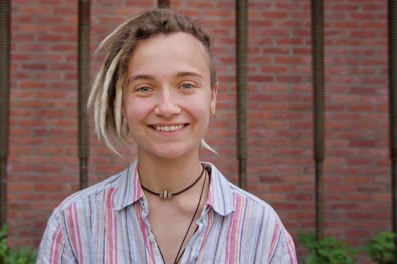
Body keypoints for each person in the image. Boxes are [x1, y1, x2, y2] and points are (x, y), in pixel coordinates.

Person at [37, 8, 297, 264]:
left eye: (186, 85)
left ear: (213, 97)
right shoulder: (74, 225)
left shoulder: (262, 230)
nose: (167, 107)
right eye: (144, 88)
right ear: (122, 103)